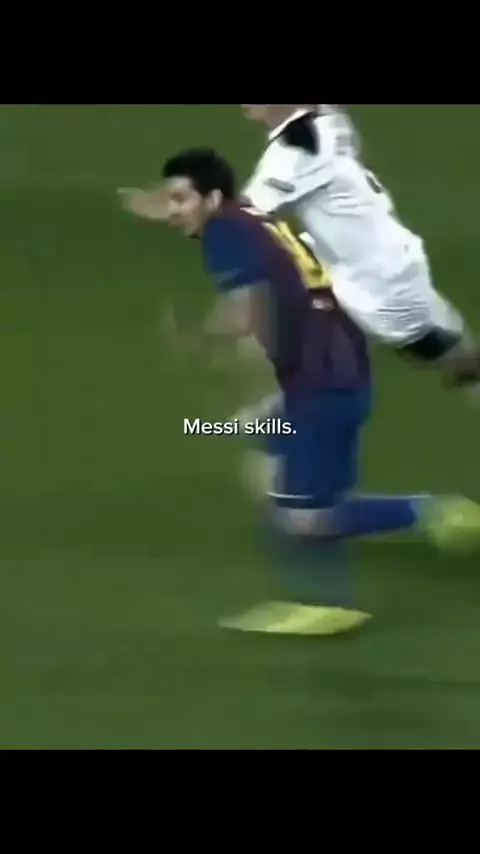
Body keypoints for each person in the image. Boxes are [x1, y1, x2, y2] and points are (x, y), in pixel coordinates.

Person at [120, 147, 480, 637]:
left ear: (213, 198)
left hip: (319, 386)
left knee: (305, 517)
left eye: (181, 199)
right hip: (337, 369)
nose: (174, 209)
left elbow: (249, 309)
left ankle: (333, 596)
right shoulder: (250, 217)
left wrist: (201, 340)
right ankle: (413, 516)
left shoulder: (225, 234)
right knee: (262, 458)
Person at [240, 105, 480, 388]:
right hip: (365, 253)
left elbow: (246, 214)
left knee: (428, 347)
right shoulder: (328, 119)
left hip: (378, 273)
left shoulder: (292, 154)